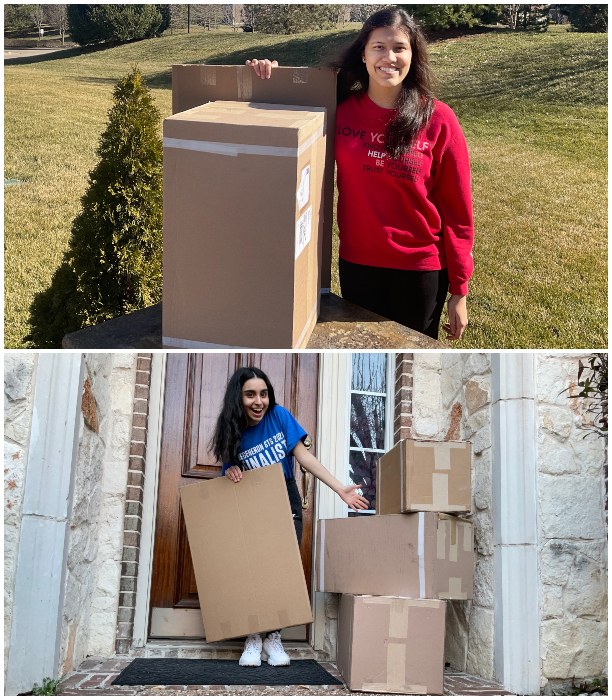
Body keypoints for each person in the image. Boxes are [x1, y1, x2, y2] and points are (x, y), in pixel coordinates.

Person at [246, 7, 473, 341]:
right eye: (379, 46)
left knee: (409, 355)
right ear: (364, 54)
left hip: (420, 268)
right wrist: (270, 75)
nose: (389, 57)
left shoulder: (438, 119)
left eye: (399, 48)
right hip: (358, 263)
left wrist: (459, 290)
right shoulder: (339, 108)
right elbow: (284, 110)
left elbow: (457, 210)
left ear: (413, 56)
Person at [209, 366, 369, 667]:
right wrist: (230, 471)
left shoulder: (279, 416)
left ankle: (273, 638)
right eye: (250, 395)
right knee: (253, 570)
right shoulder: (231, 429)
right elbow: (228, 472)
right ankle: (254, 637)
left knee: (282, 570)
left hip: (286, 496)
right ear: (238, 398)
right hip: (252, 502)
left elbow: (304, 457)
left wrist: (339, 490)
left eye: (263, 394)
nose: (259, 401)